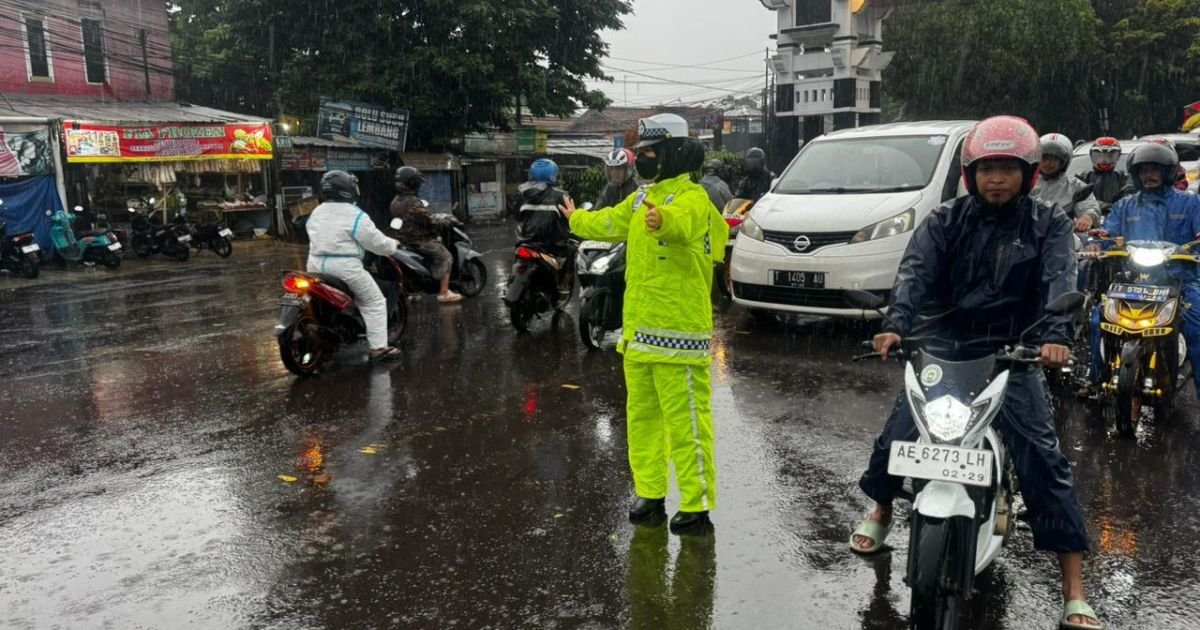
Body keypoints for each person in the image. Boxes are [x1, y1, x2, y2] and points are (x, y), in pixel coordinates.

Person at [848, 116, 1100, 630]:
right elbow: (915, 272)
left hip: (1016, 351)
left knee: (1042, 459)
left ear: (1028, 173)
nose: (997, 179)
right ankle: (882, 511)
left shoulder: (1049, 223)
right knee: (898, 435)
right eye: (987, 169)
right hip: (946, 347)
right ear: (970, 173)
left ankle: (1073, 587)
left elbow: (1060, 279)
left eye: (1008, 168)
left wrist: (1055, 336)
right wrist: (895, 325)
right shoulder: (945, 219)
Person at [559, 113, 728, 536]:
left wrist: (663, 222)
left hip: (679, 335)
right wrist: (576, 219)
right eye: (641, 153)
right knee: (642, 420)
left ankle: (696, 503)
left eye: (650, 153)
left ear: (674, 153)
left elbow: (683, 226)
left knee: (688, 423)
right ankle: (650, 493)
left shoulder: (692, 198)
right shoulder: (638, 200)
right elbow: (609, 223)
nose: (643, 160)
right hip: (638, 335)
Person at [1086, 142, 1200, 395]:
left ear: (1168, 172)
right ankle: (1095, 379)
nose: (1149, 175)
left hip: (1181, 279)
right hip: (1133, 280)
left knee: (1196, 324)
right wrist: (1096, 244)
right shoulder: (1125, 205)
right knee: (1097, 319)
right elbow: (1108, 234)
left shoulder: (1190, 203)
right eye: (1144, 170)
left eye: (1155, 169)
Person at [305, 170, 402, 360]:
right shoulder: (355, 215)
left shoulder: (317, 211)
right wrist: (392, 245)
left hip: (315, 264)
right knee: (374, 302)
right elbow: (375, 242)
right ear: (348, 190)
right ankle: (378, 348)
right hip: (345, 267)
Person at [390, 166, 462, 304]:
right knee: (445, 256)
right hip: (419, 241)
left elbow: (415, 219)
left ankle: (415, 292)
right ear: (413, 184)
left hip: (403, 240)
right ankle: (444, 292)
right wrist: (447, 222)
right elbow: (429, 222)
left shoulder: (395, 201)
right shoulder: (413, 202)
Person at [516, 158, 574, 299]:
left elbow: (517, 216)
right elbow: (571, 219)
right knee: (573, 249)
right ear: (553, 175)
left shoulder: (523, 194)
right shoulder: (561, 196)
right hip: (551, 246)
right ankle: (564, 285)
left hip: (526, 242)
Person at [1076, 137, 1129, 214]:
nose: (1104, 161)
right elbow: (1074, 199)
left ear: (1117, 157)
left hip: (1117, 217)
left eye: (1109, 157)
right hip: (1086, 217)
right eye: (1099, 157)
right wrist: (1104, 205)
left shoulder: (1123, 177)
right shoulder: (1083, 177)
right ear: (1092, 156)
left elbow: (1129, 197)